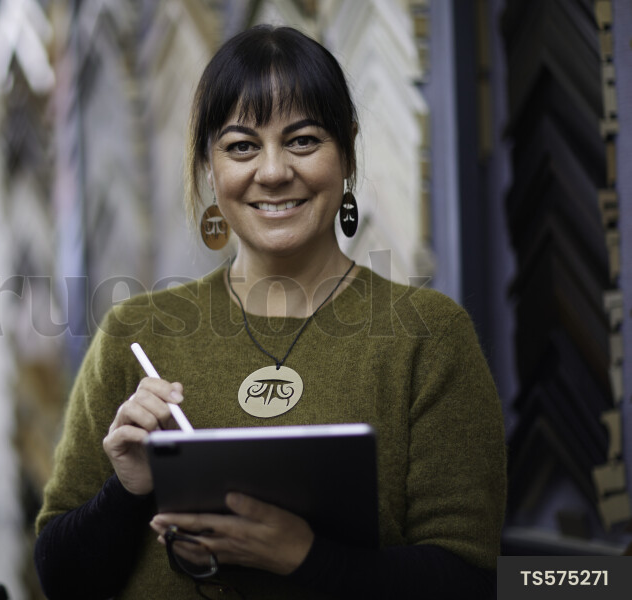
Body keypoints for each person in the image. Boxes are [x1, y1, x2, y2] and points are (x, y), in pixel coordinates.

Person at [34, 24, 505, 599]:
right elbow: (61, 579)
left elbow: (469, 580)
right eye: (241, 146)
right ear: (209, 166)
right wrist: (126, 490)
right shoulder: (135, 333)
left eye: (303, 140)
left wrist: (304, 558)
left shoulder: (428, 336)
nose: (275, 171)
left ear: (347, 151)